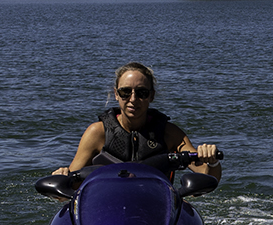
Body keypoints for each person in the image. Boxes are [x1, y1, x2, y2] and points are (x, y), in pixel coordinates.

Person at [54, 63, 220, 180]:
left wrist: (211, 161)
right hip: (106, 208)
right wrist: (62, 177)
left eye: (141, 92)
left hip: (156, 207)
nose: (133, 99)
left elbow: (207, 176)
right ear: (116, 94)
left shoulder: (170, 134)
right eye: (125, 92)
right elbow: (70, 186)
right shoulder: (97, 133)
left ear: (151, 96)